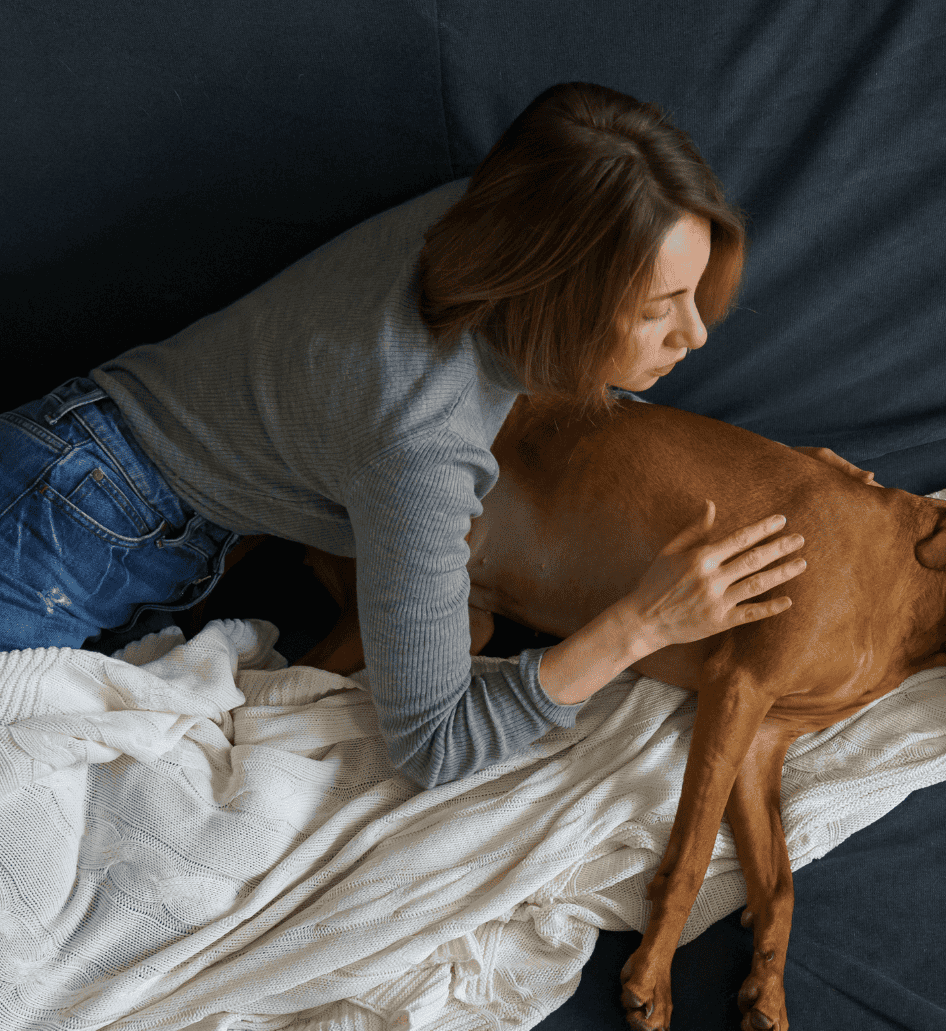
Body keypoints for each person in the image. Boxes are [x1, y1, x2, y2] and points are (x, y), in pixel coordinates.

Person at [0, 81, 806, 790]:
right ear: (557, 295)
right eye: (657, 308)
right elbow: (432, 745)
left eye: (694, 292)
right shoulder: (422, 448)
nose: (694, 335)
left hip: (79, 469)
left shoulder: (494, 209)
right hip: (66, 531)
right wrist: (644, 625)